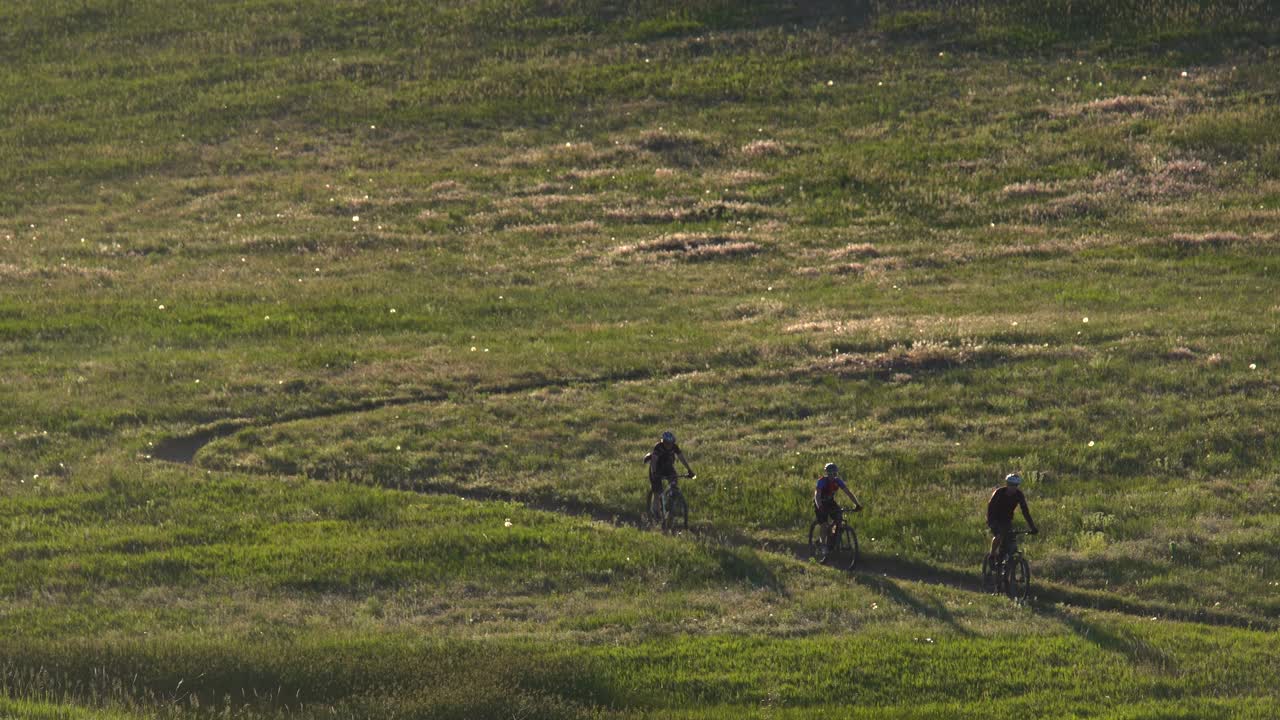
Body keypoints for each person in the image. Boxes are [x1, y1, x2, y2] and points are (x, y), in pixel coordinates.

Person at [987, 473, 1039, 564]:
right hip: (994, 518)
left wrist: (1032, 527)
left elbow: (1025, 511)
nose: (1013, 488)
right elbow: (990, 508)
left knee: (1010, 539)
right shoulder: (999, 493)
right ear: (1007, 484)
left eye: (1015, 485)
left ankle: (1006, 566)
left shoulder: (1019, 495)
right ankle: (992, 555)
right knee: (999, 535)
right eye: (1011, 485)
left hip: (1007, 519)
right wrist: (992, 522)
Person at [643, 431, 694, 514]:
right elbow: (654, 461)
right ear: (663, 442)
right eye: (667, 443)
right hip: (657, 468)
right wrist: (654, 472)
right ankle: (655, 512)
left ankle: (671, 502)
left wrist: (689, 470)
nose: (669, 445)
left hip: (668, 467)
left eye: (671, 443)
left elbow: (681, 458)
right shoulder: (658, 447)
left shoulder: (675, 447)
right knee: (657, 491)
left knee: (674, 480)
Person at [814, 462, 862, 543]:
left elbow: (848, 493)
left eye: (834, 473)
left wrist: (857, 504)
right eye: (830, 473)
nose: (832, 475)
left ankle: (833, 537)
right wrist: (820, 506)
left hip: (830, 502)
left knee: (839, 518)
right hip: (820, 503)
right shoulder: (821, 481)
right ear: (827, 473)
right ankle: (822, 544)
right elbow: (817, 495)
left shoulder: (838, 481)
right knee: (824, 524)